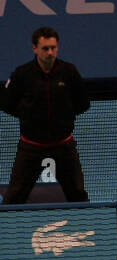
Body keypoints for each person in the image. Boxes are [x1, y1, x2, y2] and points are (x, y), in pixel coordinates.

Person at [2, 27, 91, 205]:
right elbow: (6, 103)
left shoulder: (69, 72)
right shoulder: (22, 74)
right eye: (45, 48)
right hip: (31, 146)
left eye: (53, 48)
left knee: (78, 195)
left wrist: (64, 116)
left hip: (63, 145)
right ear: (34, 48)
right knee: (14, 197)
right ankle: (7, 232)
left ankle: (85, 231)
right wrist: (27, 116)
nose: (50, 53)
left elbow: (83, 103)